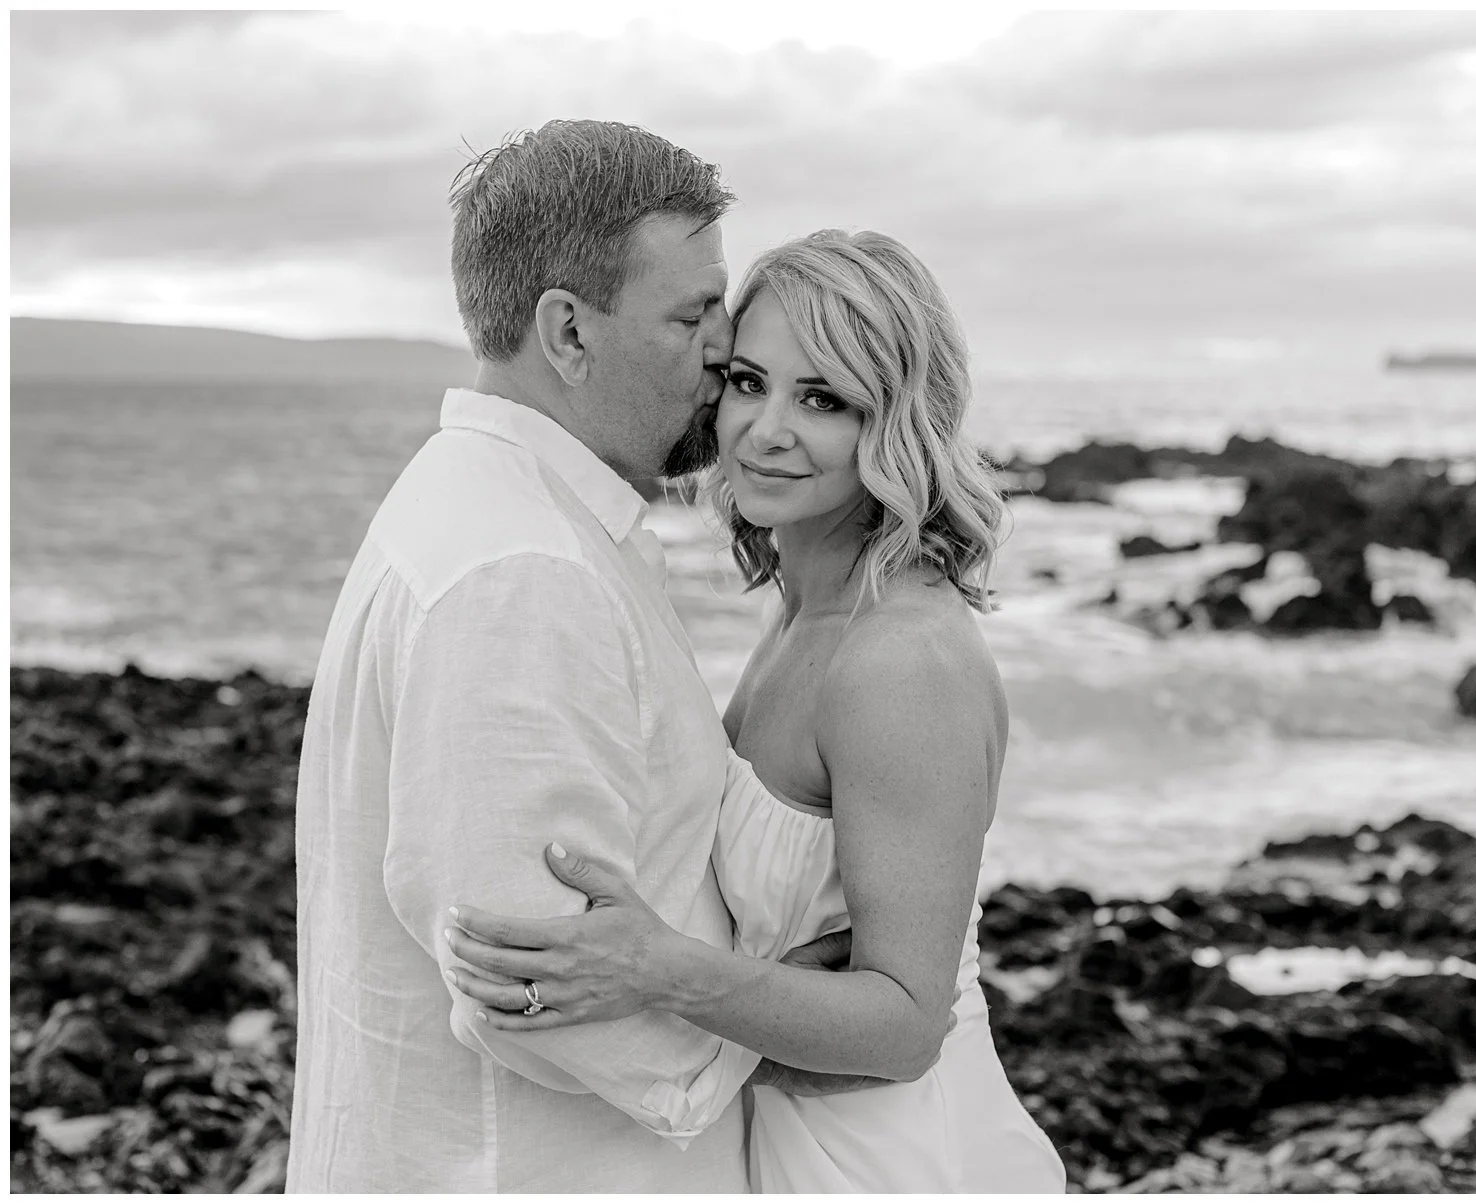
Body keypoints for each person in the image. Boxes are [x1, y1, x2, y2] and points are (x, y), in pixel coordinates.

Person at [287, 120, 869, 1193]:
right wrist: (793, 1020)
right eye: (692, 313)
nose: (726, 350)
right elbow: (531, 972)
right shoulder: (522, 571)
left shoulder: (490, 512)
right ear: (567, 332)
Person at [446, 229, 1068, 1191]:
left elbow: (907, 1029)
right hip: (789, 1141)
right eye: (748, 381)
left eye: (823, 399)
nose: (765, 430)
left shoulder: (900, 659)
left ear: (898, 422)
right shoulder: (806, 606)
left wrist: (658, 971)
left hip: (891, 1163)